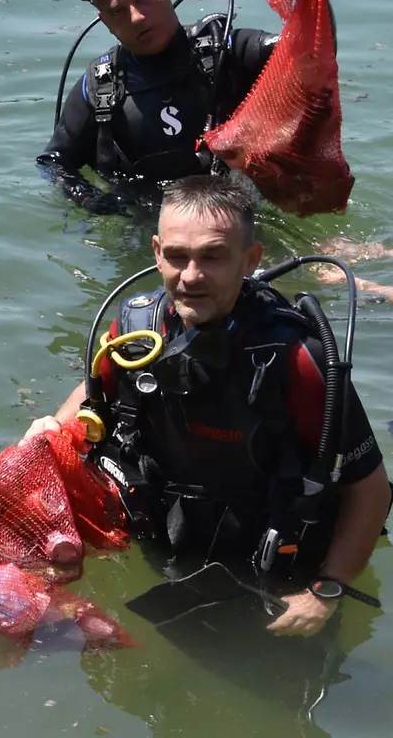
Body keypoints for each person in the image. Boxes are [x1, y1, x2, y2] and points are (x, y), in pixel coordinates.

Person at [25, 174, 389, 637]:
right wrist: (53, 431)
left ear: (250, 259)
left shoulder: (294, 360)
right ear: (156, 252)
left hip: (271, 564)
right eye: (177, 256)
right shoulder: (137, 328)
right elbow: (95, 394)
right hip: (161, 534)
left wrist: (327, 590)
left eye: (213, 256)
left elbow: (369, 490)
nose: (191, 275)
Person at [37, 0, 342, 214]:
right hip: (147, 224)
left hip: (239, 213)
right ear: (104, 20)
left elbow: (308, 58)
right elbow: (54, 163)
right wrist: (90, 199)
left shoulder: (225, 50)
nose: (137, 17)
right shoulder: (100, 87)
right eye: (118, 11)